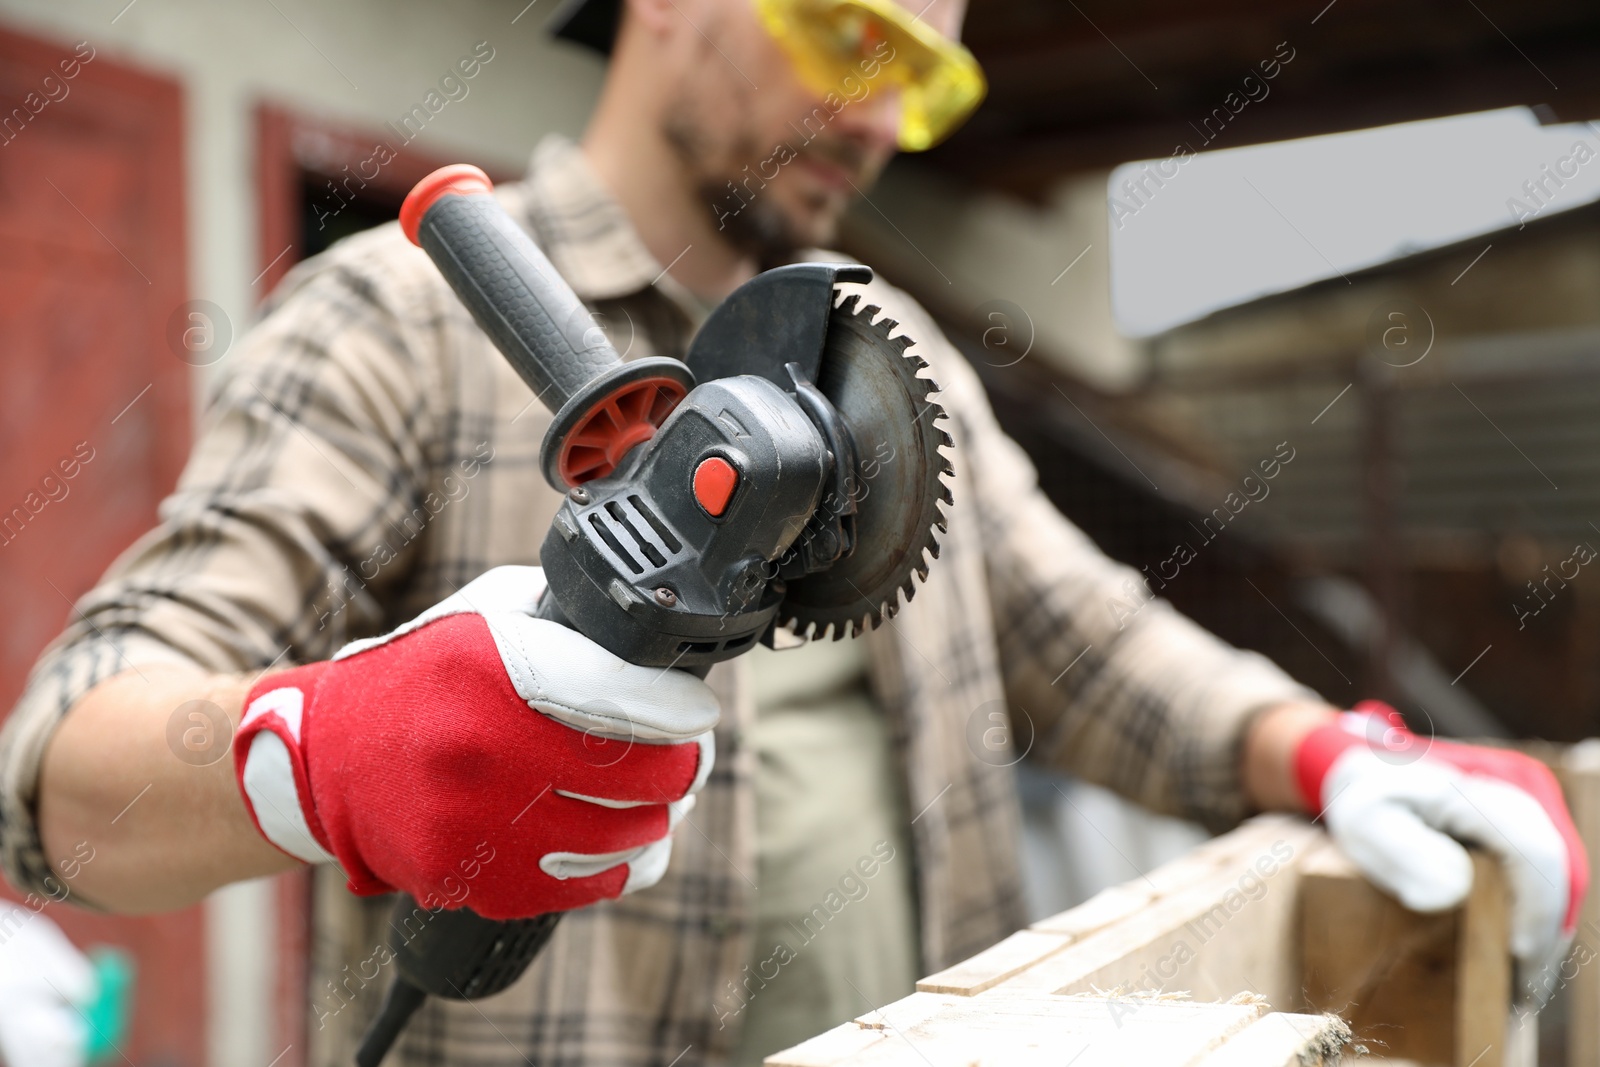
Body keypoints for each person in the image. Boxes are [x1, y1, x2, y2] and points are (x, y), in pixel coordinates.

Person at [0, 0, 1584, 1063]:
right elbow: (64, 775)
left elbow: (1093, 644)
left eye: (930, 74)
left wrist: (1337, 755)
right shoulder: (398, 321)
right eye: (847, 33)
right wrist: (314, 751)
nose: (886, 115)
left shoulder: (896, 364)